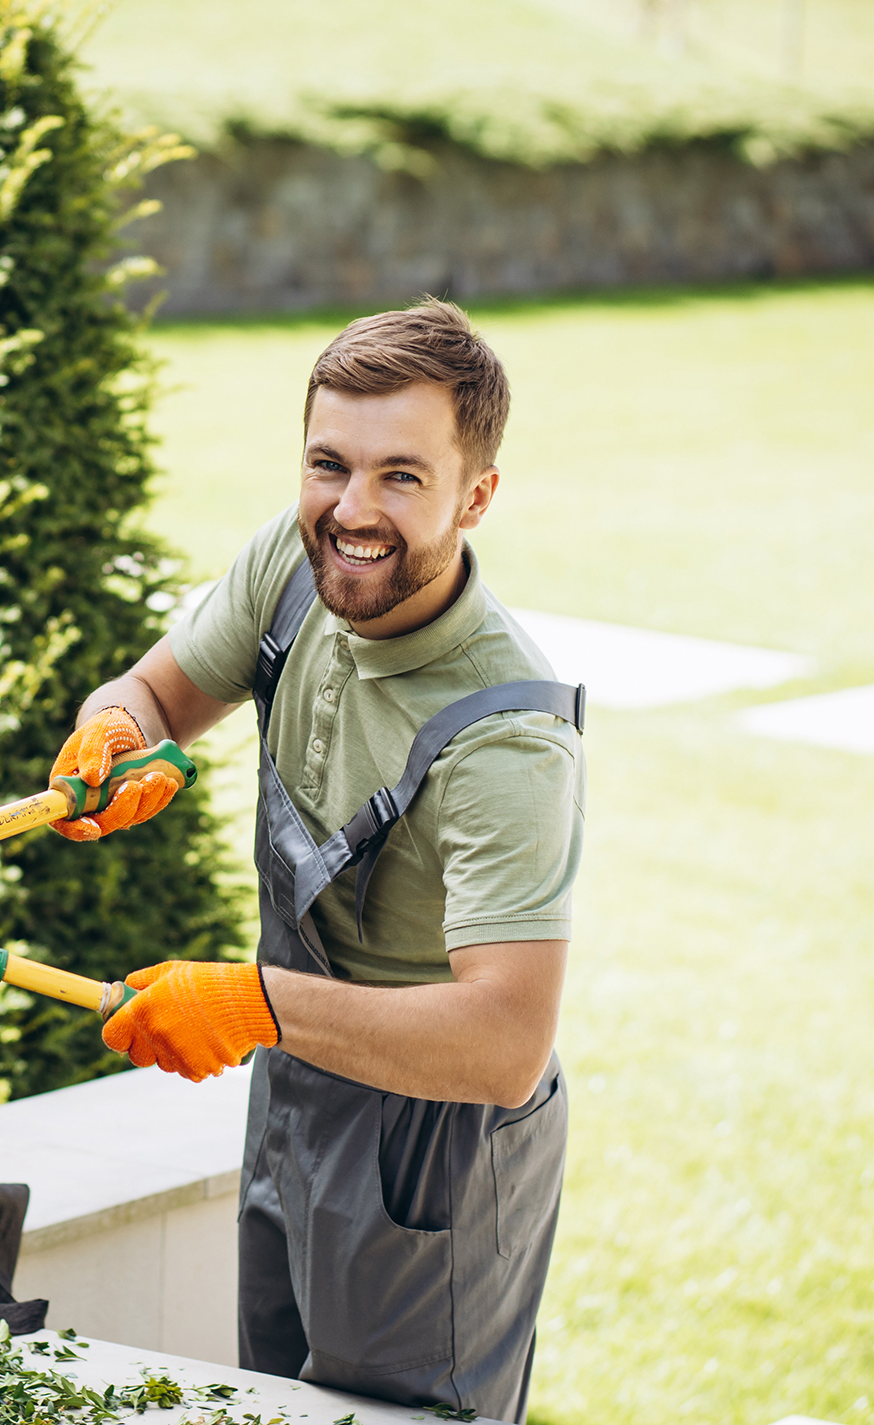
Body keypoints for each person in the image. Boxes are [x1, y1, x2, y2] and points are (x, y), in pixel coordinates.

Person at [51, 300, 584, 1423]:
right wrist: (115, 732)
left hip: (432, 1144)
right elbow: (151, 691)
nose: (352, 510)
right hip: (292, 1083)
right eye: (328, 465)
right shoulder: (288, 571)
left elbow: (503, 1043)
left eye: (402, 476)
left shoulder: (508, 737)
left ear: (475, 494)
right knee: (272, 1403)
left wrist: (251, 1005)